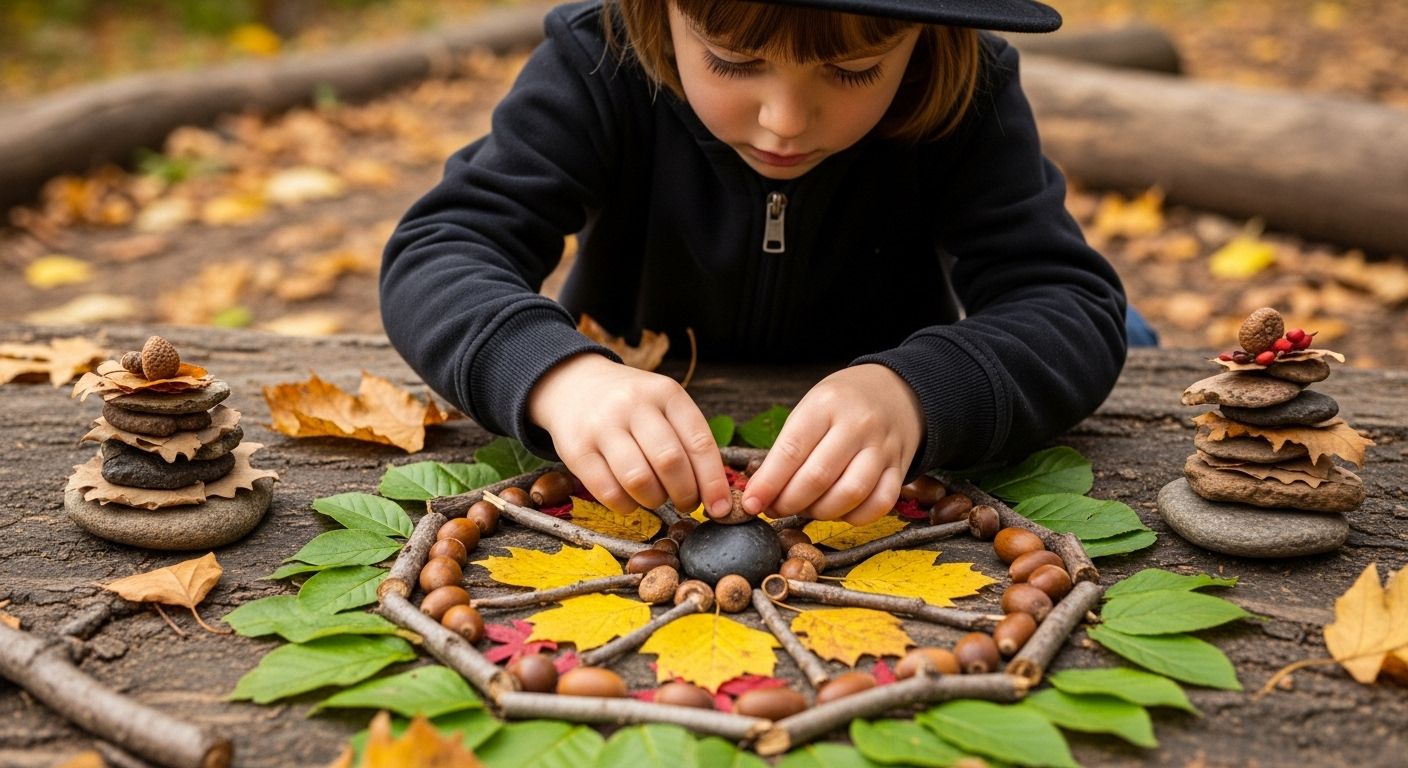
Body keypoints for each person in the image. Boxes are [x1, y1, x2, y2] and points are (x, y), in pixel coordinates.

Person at [380, 0, 1129, 528]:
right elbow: (441, 249)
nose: (785, 121)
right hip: (641, 442)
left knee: (1127, 328)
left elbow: (1068, 305)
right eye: (735, 60)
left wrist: (918, 391)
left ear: (923, 36)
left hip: (871, 464)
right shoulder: (596, 62)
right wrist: (556, 376)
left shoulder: (969, 91)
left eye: (855, 70)